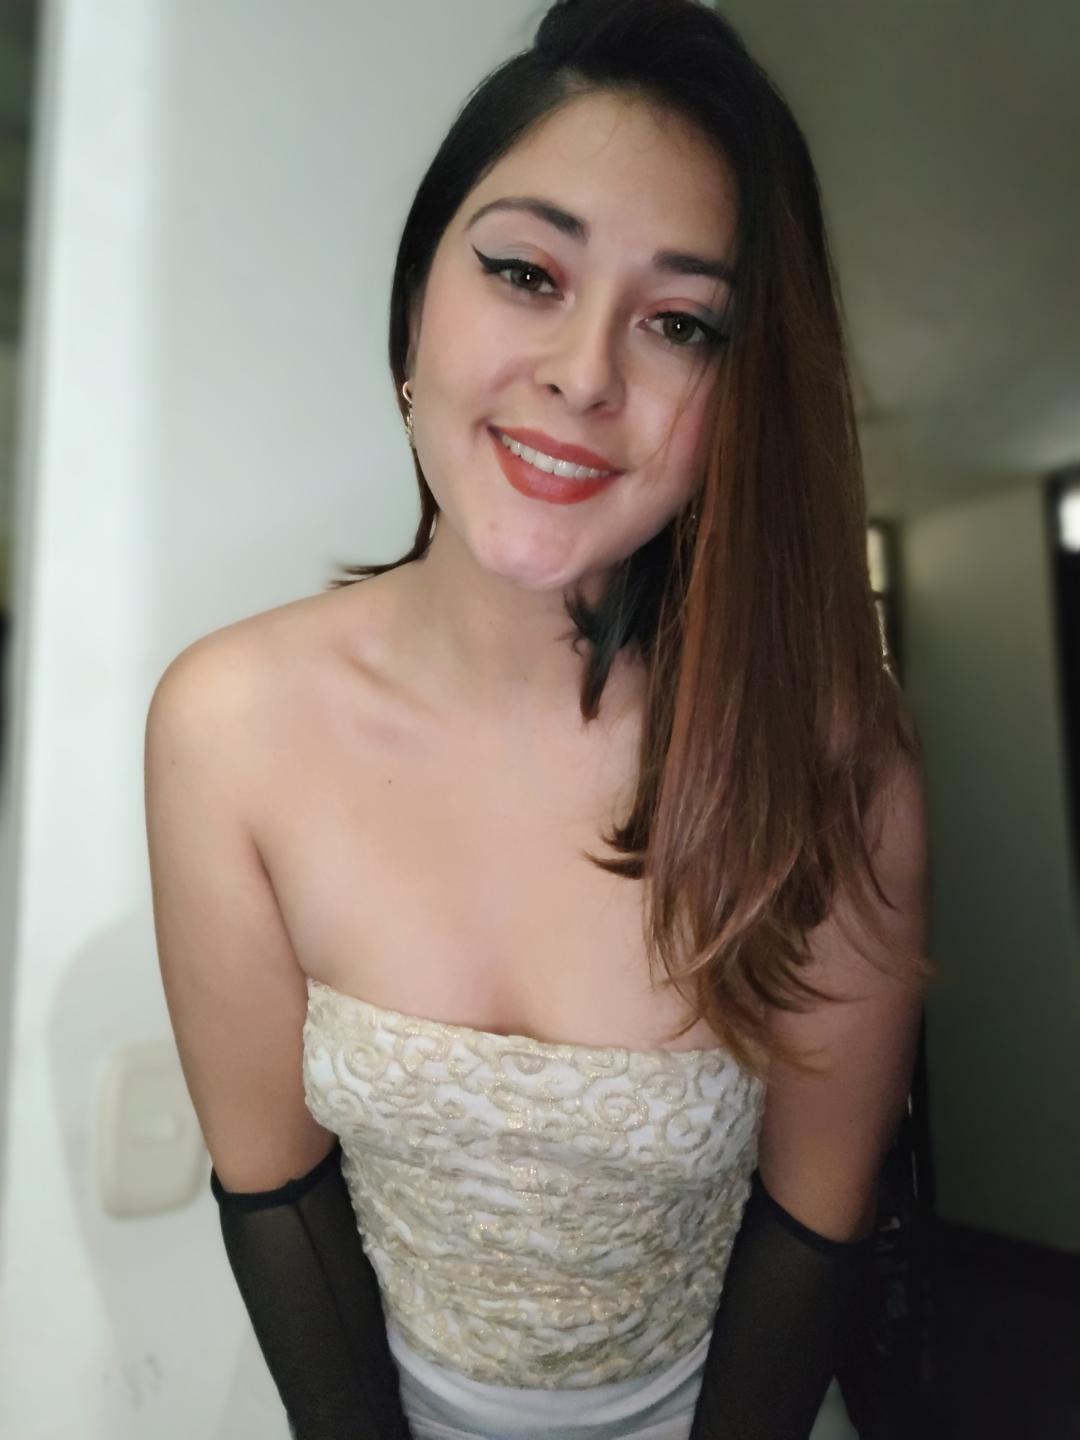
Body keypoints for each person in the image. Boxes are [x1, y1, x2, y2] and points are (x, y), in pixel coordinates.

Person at [143, 1, 933, 1436]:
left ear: (737, 401)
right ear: (415, 310)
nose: (585, 373)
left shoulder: (832, 759)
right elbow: (275, 1191)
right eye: (525, 271)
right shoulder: (228, 727)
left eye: (681, 323)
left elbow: (815, 1226)